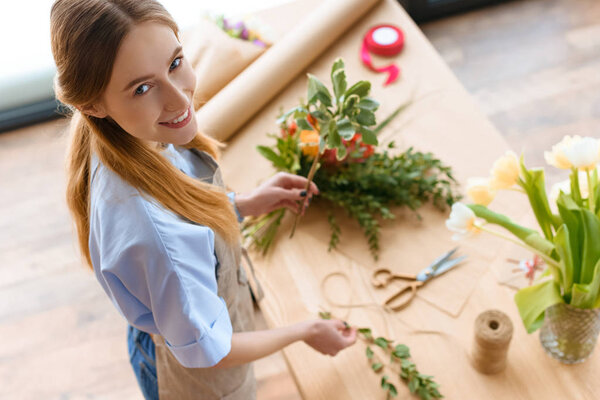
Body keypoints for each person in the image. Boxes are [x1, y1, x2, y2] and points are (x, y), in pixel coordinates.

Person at [49, 1, 358, 399]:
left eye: (176, 62)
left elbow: (179, 209)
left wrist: (243, 203)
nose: (180, 101)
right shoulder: (158, 237)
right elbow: (211, 352)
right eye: (142, 88)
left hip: (173, 323)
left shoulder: (121, 133)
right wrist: (305, 331)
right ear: (92, 105)